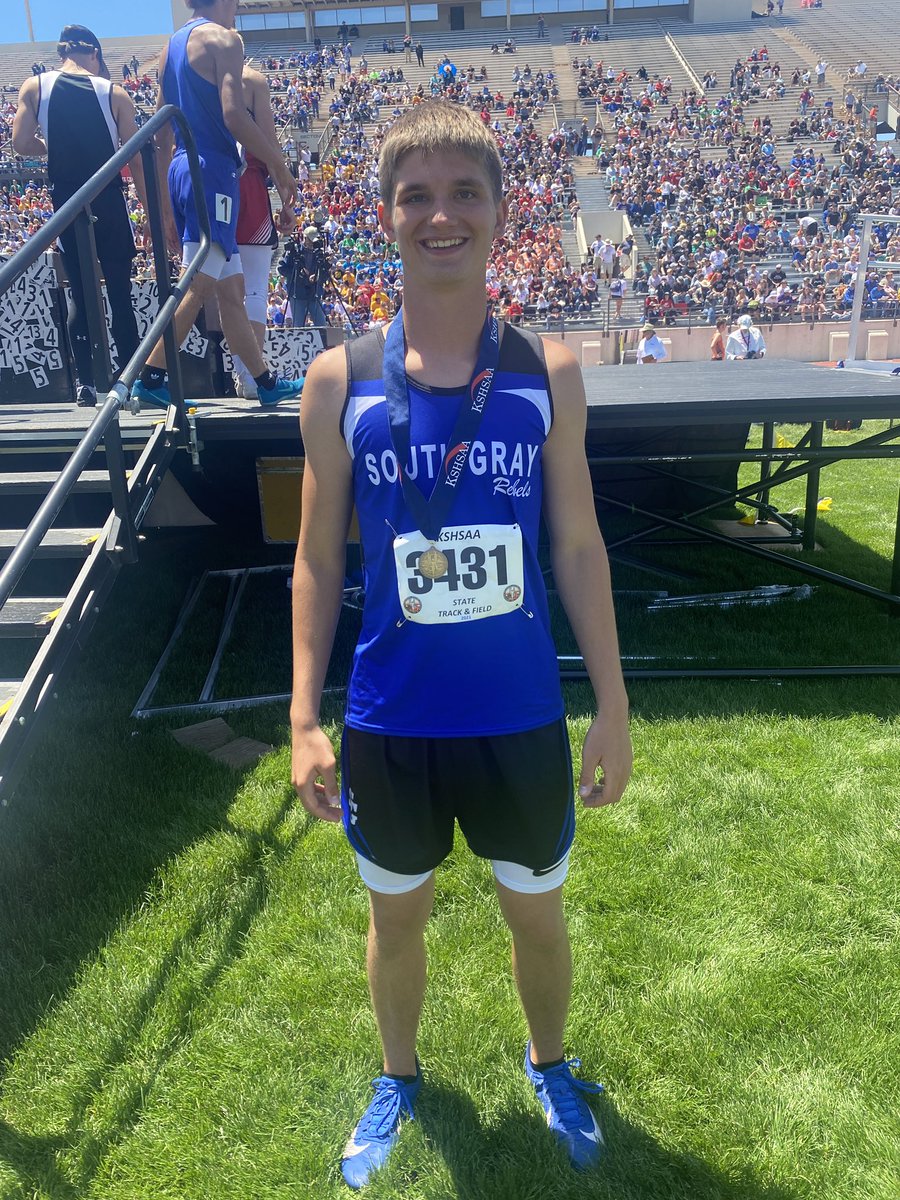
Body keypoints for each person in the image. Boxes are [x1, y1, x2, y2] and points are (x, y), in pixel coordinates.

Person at [290, 100, 632, 1191]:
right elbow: (315, 560)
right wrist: (302, 716)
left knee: (538, 913)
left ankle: (549, 1063)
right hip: (391, 721)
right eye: (417, 196)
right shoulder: (340, 379)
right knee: (396, 922)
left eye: (464, 193)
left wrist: (613, 703)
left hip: (519, 714)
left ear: (500, 211)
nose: (442, 215)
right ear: (385, 216)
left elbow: (576, 544)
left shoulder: (548, 371)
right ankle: (399, 1076)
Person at [131, 0, 303, 411]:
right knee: (200, 285)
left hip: (182, 169)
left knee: (232, 290)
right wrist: (279, 167)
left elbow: (161, 133)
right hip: (213, 173)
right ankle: (149, 377)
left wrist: (165, 208)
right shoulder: (225, 40)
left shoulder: (171, 47)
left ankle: (265, 382)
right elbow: (235, 116)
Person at [12, 24, 148, 407]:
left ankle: (86, 384)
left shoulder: (35, 87)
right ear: (95, 55)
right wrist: (152, 215)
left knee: (80, 295)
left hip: (67, 205)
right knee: (119, 293)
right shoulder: (114, 92)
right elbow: (136, 158)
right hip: (109, 203)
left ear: (62, 54)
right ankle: (129, 380)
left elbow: (20, 143)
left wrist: (52, 146)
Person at [230, 63, 295, 400]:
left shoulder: (194, 71)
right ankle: (252, 377)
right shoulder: (251, 79)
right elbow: (269, 145)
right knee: (253, 290)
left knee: (224, 291)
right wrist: (286, 200)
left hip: (206, 182)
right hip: (248, 185)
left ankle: (244, 373)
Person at [278, 225, 328, 328]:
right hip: (297, 293)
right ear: (305, 238)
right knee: (298, 327)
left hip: (314, 293)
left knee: (322, 325)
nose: (313, 243)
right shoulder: (294, 252)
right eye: (311, 239)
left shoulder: (319, 252)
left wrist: (317, 276)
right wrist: (298, 273)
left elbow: (326, 274)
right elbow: (281, 268)